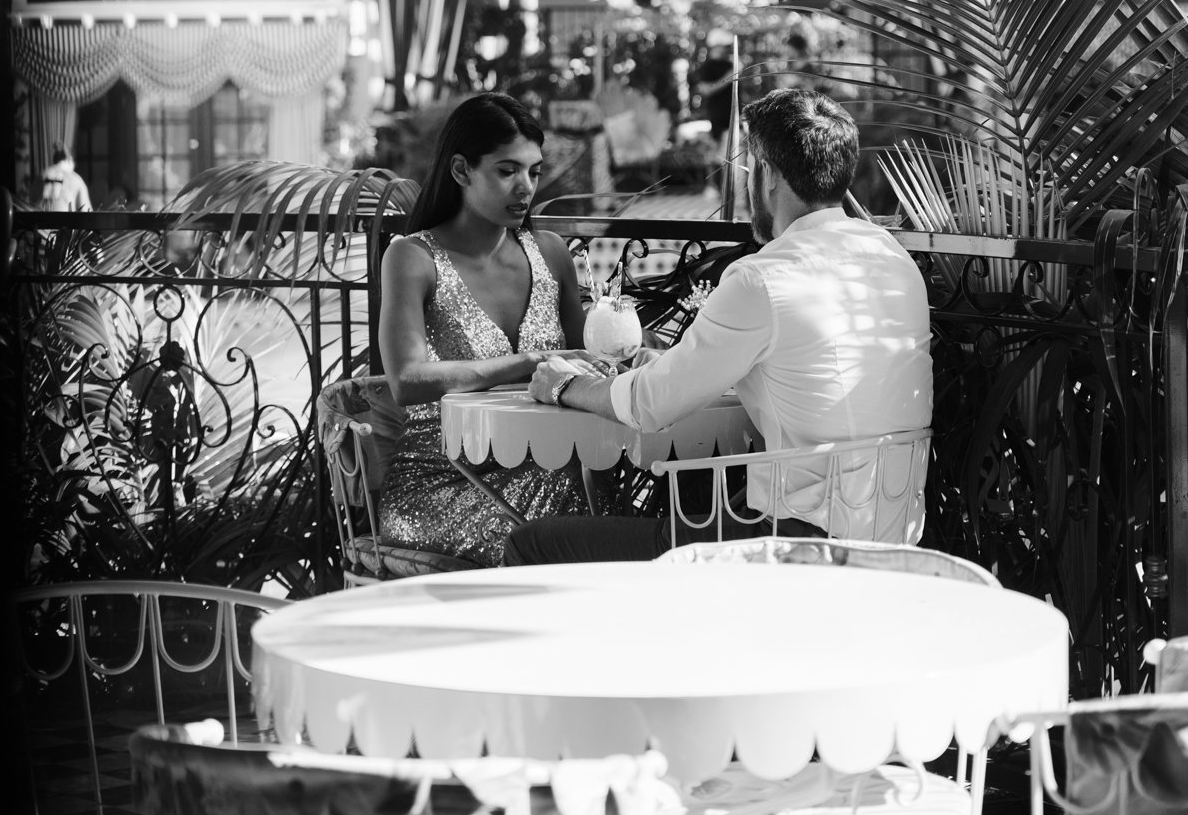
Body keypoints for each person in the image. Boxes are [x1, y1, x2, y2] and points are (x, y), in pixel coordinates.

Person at [508, 89, 932, 562]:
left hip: (794, 547)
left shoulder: (764, 277)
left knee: (531, 544)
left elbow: (650, 405)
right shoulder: (893, 258)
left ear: (768, 176)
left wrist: (563, 384)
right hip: (893, 534)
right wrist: (671, 364)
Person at [376, 93, 597, 566]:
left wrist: (637, 351)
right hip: (442, 483)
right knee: (563, 540)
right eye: (507, 170)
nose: (526, 187)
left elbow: (588, 361)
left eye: (534, 172)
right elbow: (406, 380)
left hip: (550, 470)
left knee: (614, 521)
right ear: (460, 170)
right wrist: (528, 363)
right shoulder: (412, 258)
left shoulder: (552, 253)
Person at [39, 142, 92, 213]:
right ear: (70, 159)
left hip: (38, 222)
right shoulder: (76, 179)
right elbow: (87, 212)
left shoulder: (41, 175)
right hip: (65, 222)